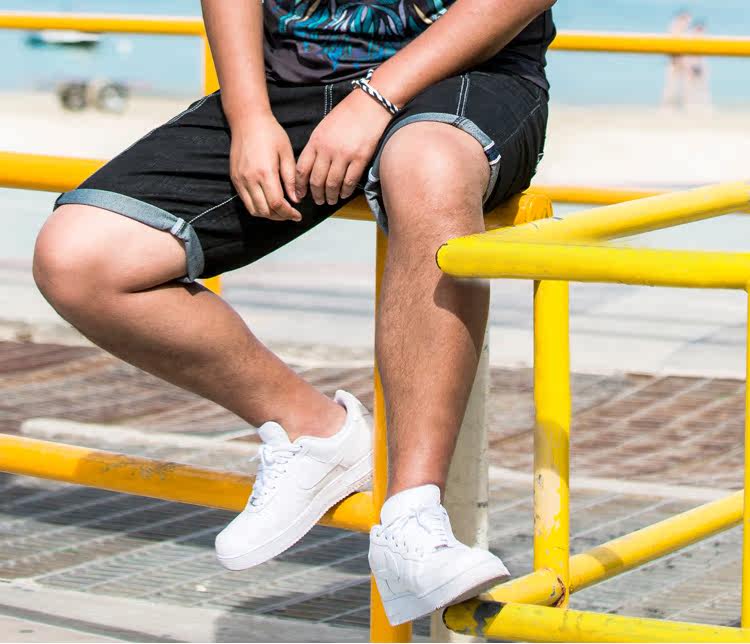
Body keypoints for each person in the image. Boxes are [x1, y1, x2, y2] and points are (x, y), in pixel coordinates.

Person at [32, 0, 555, 626]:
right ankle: (317, 435)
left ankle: (411, 519)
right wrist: (249, 115)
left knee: (427, 165)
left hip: (471, 73)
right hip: (296, 79)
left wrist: (375, 99)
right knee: (79, 259)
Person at [662, 9, 692, 109]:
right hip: (675, 62)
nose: (688, 21)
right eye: (686, 18)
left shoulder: (685, 30)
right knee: (672, 85)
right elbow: (672, 47)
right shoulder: (675, 27)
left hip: (681, 62)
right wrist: (677, 62)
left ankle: (681, 106)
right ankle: (668, 107)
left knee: (683, 86)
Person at [684, 21, 712, 113]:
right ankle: (689, 107)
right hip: (691, 65)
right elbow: (686, 55)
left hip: (700, 66)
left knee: (702, 87)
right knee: (690, 87)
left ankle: (704, 107)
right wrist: (688, 66)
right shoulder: (689, 36)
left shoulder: (704, 37)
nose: (700, 30)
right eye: (699, 28)